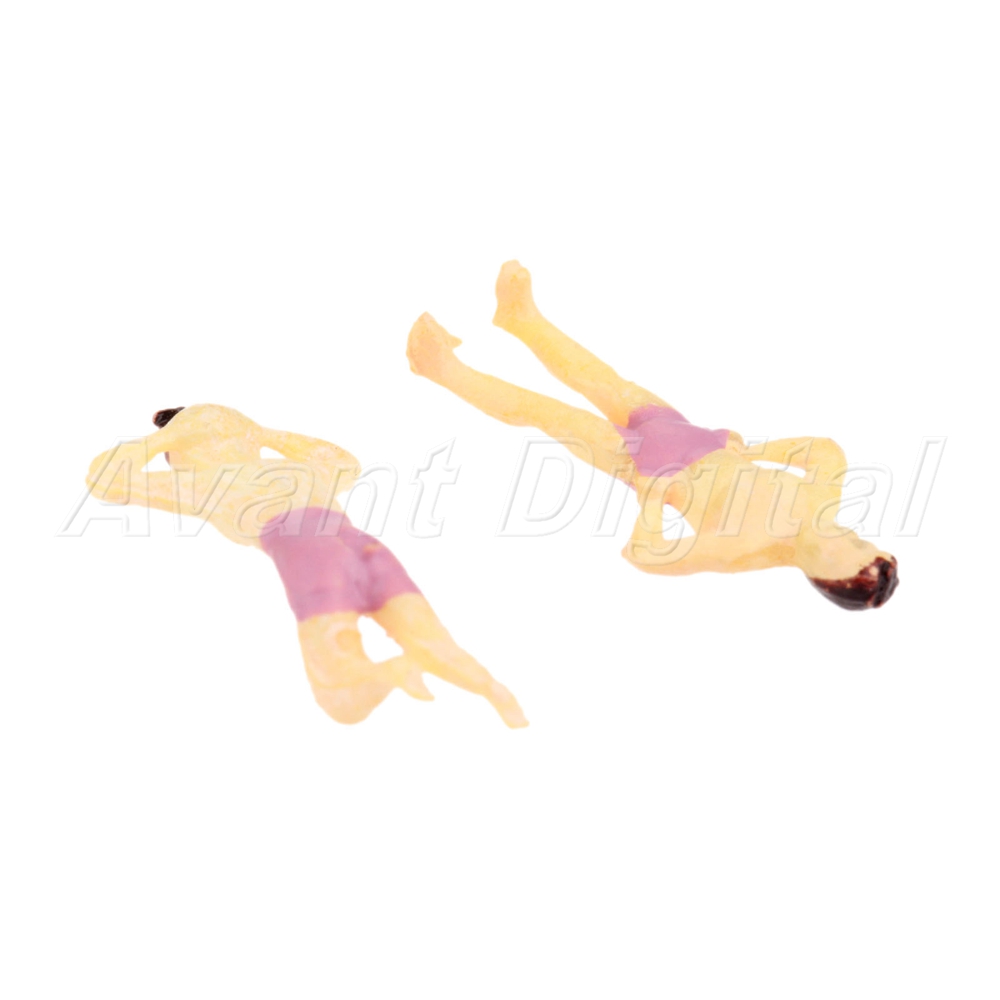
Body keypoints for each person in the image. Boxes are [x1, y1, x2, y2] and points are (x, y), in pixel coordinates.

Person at [407, 261, 898, 610]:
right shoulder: (821, 500)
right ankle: (523, 320)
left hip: (645, 462)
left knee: (548, 414)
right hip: (694, 437)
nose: (835, 534)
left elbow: (646, 555)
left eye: (835, 550)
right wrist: (751, 449)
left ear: (817, 576)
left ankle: (442, 369)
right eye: (854, 536)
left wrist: (653, 498)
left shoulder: (742, 550)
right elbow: (825, 452)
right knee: (604, 379)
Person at [85, 404, 528, 726]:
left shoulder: (203, 483)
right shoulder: (295, 472)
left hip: (308, 551)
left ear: (182, 457)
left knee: (336, 684)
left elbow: (105, 480)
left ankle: (394, 672)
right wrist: (264, 434)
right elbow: (344, 464)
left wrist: (164, 440)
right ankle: (495, 693)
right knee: (426, 634)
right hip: (362, 544)